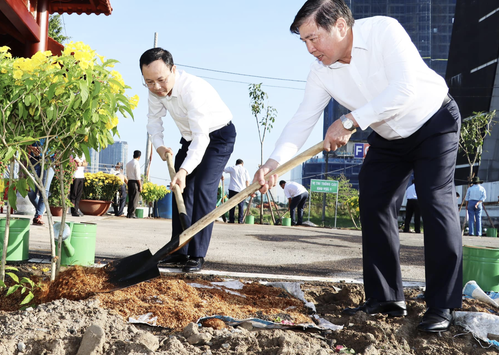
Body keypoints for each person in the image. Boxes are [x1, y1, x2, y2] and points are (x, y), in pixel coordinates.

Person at [253, 0, 462, 333]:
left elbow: (404, 89)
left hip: (433, 122)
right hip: (388, 137)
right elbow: (302, 119)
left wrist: (350, 121)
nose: (310, 49)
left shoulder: (383, 31)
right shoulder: (321, 72)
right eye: (303, 42)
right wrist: (274, 162)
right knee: (374, 201)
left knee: (435, 203)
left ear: (339, 25)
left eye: (313, 38)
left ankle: (443, 304)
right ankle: (386, 297)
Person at [141, 47, 236, 273]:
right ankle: (179, 251)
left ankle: (197, 254)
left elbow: (202, 139)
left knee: (202, 187)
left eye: (161, 80)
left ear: (173, 70)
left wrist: (183, 171)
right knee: (180, 190)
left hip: (218, 137)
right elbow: (153, 121)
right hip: (190, 139)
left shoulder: (192, 90)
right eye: (149, 82)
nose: (156, 87)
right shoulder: (154, 90)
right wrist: (160, 146)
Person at [27, 141, 55, 226]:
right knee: (30, 191)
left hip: (49, 160)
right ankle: (41, 210)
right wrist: (30, 147)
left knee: (45, 189)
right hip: (34, 160)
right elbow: (25, 143)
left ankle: (38, 215)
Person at [223, 159, 250, 224]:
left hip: (233, 188)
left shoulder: (232, 168)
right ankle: (240, 220)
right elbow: (247, 180)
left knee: (231, 205)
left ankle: (231, 219)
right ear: (242, 164)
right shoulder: (245, 170)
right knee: (241, 206)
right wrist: (248, 189)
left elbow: (223, 169)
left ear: (236, 163)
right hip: (242, 190)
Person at [126, 151, 142, 219]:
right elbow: (138, 176)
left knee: (130, 198)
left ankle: (129, 213)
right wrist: (140, 185)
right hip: (135, 182)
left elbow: (127, 174)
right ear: (139, 157)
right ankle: (132, 214)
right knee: (135, 198)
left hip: (129, 181)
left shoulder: (128, 163)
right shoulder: (136, 163)